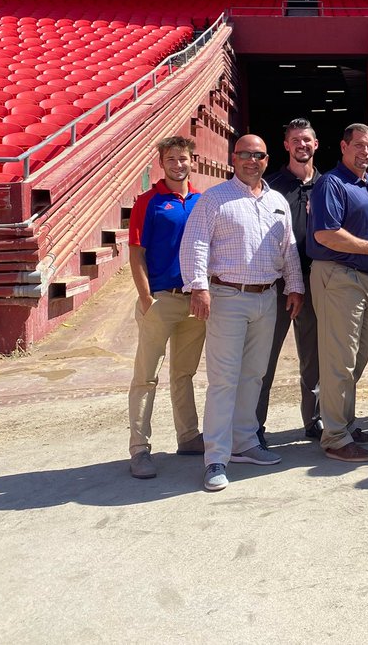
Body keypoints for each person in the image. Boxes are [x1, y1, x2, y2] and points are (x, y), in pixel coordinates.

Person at [181, 134, 305, 492]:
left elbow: (289, 248)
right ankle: (216, 457)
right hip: (227, 297)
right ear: (232, 158)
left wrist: (295, 286)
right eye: (245, 154)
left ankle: (245, 443)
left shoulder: (277, 201)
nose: (252, 160)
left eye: (259, 155)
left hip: (267, 297)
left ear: (268, 159)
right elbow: (196, 242)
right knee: (224, 379)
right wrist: (198, 287)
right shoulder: (215, 198)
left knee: (254, 375)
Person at [308, 123, 368, 463]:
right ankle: (334, 437)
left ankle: (343, 424)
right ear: (343, 147)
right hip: (341, 277)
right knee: (339, 360)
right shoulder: (331, 183)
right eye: (359, 145)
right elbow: (326, 234)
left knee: (356, 358)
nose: (366, 152)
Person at [126, 135, 206, 480]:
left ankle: (188, 436)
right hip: (161, 298)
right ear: (162, 163)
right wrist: (146, 298)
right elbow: (136, 252)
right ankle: (139, 449)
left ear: (193, 161)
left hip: (195, 300)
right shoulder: (148, 202)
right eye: (171, 159)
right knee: (146, 376)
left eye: (183, 158)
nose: (178, 165)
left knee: (184, 373)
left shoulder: (203, 201)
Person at [257, 118, 321, 447]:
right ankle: (254, 427)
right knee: (263, 359)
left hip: (317, 282)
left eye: (307, 139)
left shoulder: (328, 185)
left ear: (316, 144)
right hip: (278, 284)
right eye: (295, 139)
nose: (301, 144)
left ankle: (315, 420)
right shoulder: (270, 186)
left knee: (315, 357)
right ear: (286, 145)